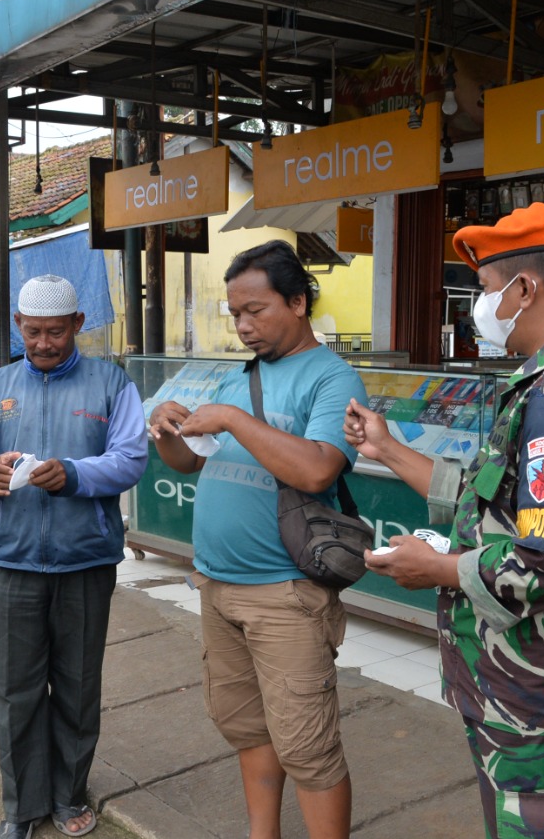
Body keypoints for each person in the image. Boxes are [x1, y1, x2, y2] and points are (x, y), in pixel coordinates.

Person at [345, 203, 544, 838]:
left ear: (525, 289)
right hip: (518, 684)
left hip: (540, 692)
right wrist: (388, 448)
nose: (479, 308)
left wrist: (438, 569)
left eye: (483, 291)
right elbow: (495, 504)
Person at [148, 240, 369, 839]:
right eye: (235, 314)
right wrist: (167, 430)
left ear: (298, 302)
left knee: (308, 746)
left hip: (286, 593)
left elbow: (321, 468)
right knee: (247, 728)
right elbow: (189, 464)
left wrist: (234, 420)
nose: (243, 326)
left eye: (256, 311)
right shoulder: (236, 375)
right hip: (219, 583)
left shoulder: (333, 377)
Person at [0, 274, 147, 839]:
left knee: (79, 686)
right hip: (15, 562)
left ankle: (69, 795)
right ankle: (21, 807)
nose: (44, 343)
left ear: (77, 326)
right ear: (18, 326)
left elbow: (131, 458)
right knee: (16, 689)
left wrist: (77, 474)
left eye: (55, 332)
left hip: (85, 560)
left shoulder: (112, 385)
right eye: (33, 332)